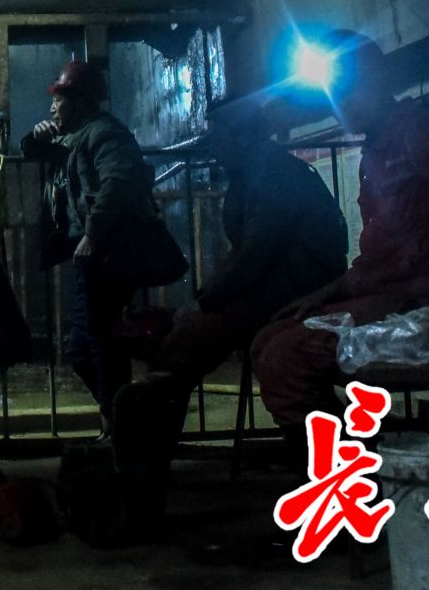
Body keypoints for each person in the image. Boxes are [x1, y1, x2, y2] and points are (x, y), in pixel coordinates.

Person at [250, 33, 429, 436]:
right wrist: (327, 293)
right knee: (266, 341)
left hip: (425, 305)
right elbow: (383, 256)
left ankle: (350, 460)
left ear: (379, 81)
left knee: (287, 355)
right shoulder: (376, 150)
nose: (342, 103)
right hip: (391, 300)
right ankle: (370, 448)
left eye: (351, 89)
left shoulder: (424, 132)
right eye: (335, 94)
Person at [109, 93, 348, 531]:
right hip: (275, 291)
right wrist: (204, 301)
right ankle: (146, 480)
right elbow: (249, 256)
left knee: (174, 353)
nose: (213, 147)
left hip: (291, 295)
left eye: (218, 137)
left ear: (242, 136)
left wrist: (204, 302)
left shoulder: (271, 175)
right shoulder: (256, 172)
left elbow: (256, 253)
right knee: (176, 354)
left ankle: (143, 494)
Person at [23, 59, 157, 425]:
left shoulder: (105, 134)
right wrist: (36, 138)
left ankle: (122, 425)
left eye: (59, 99)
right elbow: (36, 153)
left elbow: (118, 183)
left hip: (111, 252)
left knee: (100, 343)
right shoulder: (79, 135)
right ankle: (121, 419)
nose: (52, 107)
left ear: (80, 100)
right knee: (86, 347)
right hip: (97, 253)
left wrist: (93, 234)